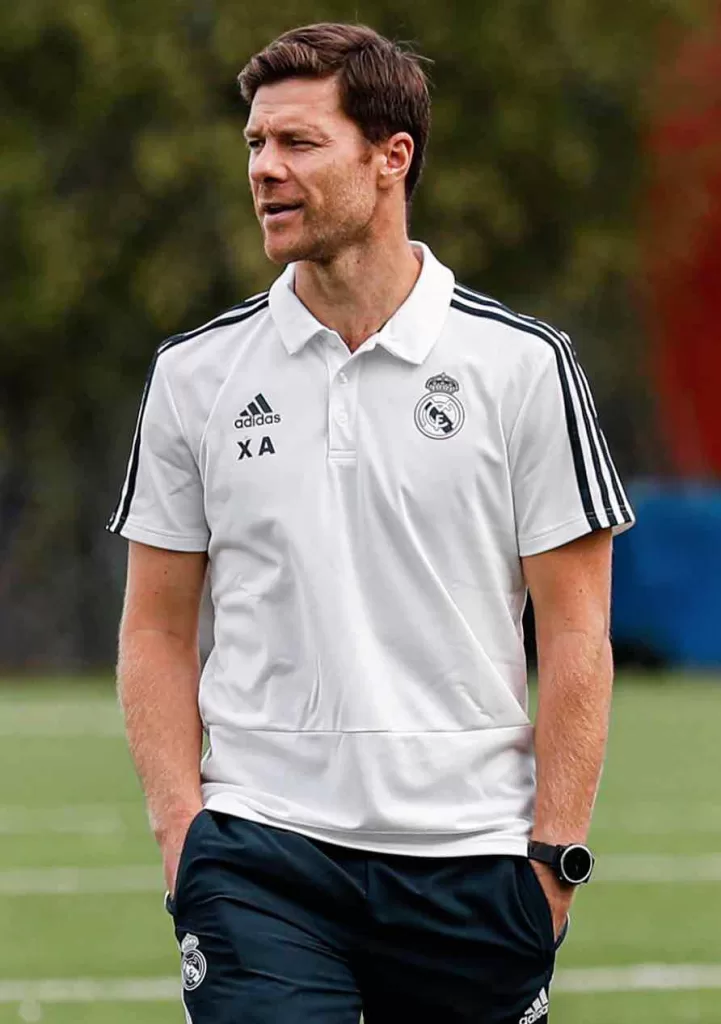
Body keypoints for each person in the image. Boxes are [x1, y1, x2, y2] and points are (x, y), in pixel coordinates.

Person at [108, 22, 635, 1024]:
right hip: (260, 850)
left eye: (298, 142)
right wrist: (183, 831)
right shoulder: (194, 374)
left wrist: (553, 859)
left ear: (391, 157)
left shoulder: (524, 366)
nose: (264, 168)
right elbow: (155, 628)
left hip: (473, 861)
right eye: (255, 143)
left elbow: (577, 632)